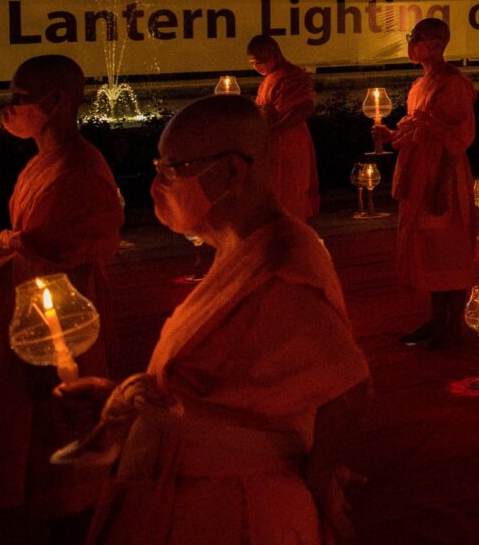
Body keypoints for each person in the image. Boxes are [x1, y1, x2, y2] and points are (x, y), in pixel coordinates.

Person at [61, 96, 370, 545]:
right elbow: (226, 387)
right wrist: (121, 397)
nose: (159, 183)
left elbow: (350, 385)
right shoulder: (241, 251)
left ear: (230, 172)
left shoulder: (282, 266)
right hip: (193, 490)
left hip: (240, 509)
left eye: (173, 168)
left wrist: (319, 477)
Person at [0, 55, 123, 533]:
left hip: (65, 320)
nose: (10, 109)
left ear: (54, 102)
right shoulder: (42, 164)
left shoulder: (80, 172)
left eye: (20, 99)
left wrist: (13, 247)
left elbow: (59, 251)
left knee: (63, 432)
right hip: (30, 310)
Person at [378, 17, 478, 349]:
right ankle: (437, 320)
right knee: (429, 249)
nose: (411, 43)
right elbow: (419, 129)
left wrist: (439, 186)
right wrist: (392, 135)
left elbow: (457, 139)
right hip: (422, 171)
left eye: (416, 38)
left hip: (443, 176)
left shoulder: (453, 83)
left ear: (435, 44)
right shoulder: (422, 84)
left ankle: (452, 325)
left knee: (447, 246)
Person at [246, 36, 321, 222]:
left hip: (290, 144)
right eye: (253, 63)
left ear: (273, 54)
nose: (256, 67)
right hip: (270, 145)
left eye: (258, 62)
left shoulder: (293, 75)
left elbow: (303, 108)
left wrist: (274, 130)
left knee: (290, 196)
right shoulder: (269, 78)